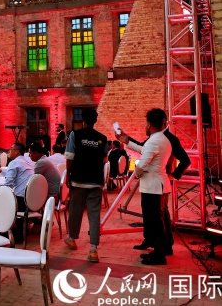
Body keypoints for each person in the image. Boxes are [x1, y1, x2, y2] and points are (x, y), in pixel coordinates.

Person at [117, 108, 172, 265]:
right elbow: (145, 150)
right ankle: (160, 250)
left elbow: (142, 163)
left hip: (153, 186)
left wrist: (137, 173)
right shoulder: (160, 139)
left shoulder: (154, 140)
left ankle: (159, 254)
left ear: (149, 124)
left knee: (155, 221)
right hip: (157, 184)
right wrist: (127, 141)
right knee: (158, 219)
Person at [64, 108, 108, 263]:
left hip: (78, 179)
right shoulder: (102, 138)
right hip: (95, 181)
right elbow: (104, 160)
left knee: (75, 210)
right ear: (95, 121)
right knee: (94, 215)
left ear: (83, 120)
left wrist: (68, 174)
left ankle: (71, 238)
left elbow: (70, 157)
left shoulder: (75, 135)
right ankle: (93, 250)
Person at [0, 142, 33, 243]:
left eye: (11, 149)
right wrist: (1, 171)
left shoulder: (14, 163)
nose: (9, 151)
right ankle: (18, 232)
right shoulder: (27, 162)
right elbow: (18, 175)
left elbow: (8, 184)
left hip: (20, 201)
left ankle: (1, 232)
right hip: (30, 200)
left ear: (16, 152)